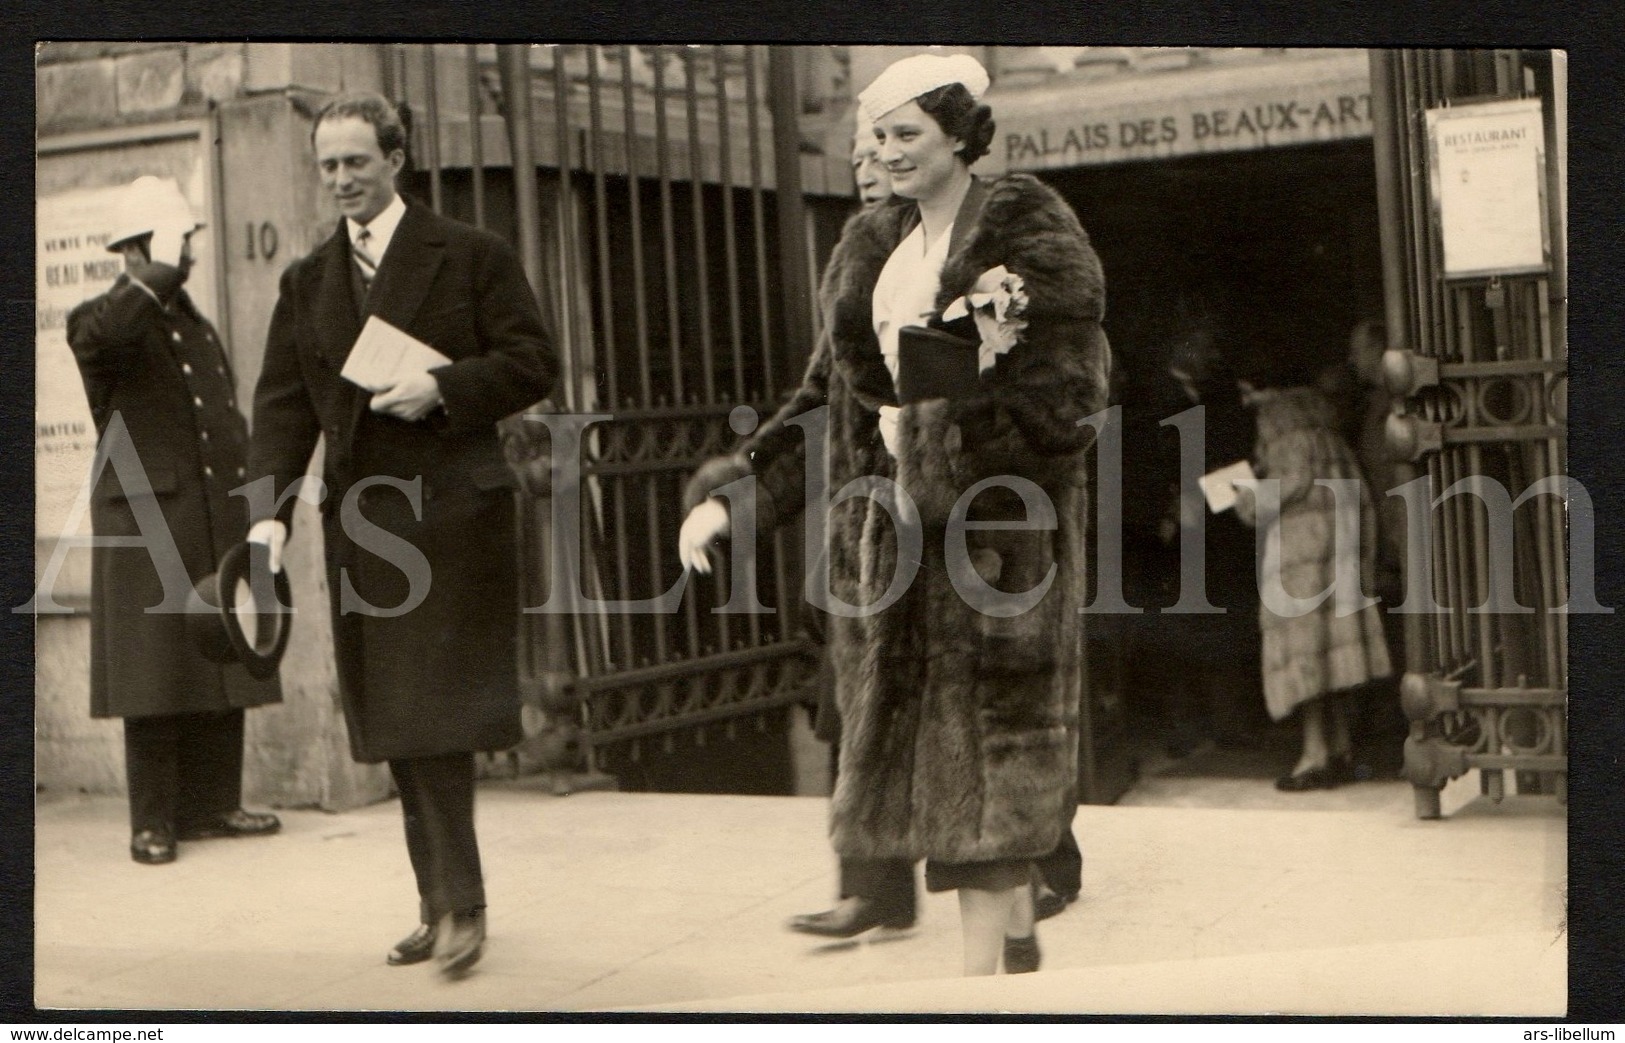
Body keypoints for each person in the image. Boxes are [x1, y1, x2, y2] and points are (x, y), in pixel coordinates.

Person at [680, 53, 1108, 975]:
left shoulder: (1026, 233)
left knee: (988, 776)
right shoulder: (871, 245)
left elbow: (1070, 402)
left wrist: (940, 421)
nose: (886, 152)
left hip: (995, 543)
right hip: (889, 555)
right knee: (928, 776)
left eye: (905, 134)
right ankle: (1009, 938)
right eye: (877, 136)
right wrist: (734, 497)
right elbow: (817, 403)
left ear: (960, 136)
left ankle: (979, 985)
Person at [243, 93, 556, 977]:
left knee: (435, 717)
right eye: (328, 165)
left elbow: (534, 360)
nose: (341, 179)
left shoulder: (470, 255)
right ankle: (436, 901)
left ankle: (462, 905)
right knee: (396, 720)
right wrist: (265, 519)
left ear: (396, 158)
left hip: (452, 517)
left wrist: (444, 388)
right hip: (363, 529)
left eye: (356, 161)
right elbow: (281, 408)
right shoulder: (308, 281)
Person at [66, 175, 283, 867]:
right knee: (154, 674)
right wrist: (154, 267)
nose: (187, 253)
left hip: (210, 511)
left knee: (220, 652)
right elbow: (111, 334)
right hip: (147, 521)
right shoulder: (101, 321)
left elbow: (224, 417)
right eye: (176, 241)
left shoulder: (192, 322)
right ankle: (153, 820)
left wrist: (256, 501)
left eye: (184, 241)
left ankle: (214, 803)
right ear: (134, 251)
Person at [1232, 373, 1392, 791]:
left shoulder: (1279, 418)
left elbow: (1289, 482)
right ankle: (1339, 749)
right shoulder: (1324, 418)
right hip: (1337, 545)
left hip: (1301, 551)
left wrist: (1242, 497)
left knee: (1305, 651)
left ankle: (1314, 754)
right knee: (1331, 651)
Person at [1160, 326, 1268, 753]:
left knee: (1219, 621)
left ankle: (1224, 721)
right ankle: (1186, 726)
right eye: (1206, 347)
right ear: (1184, 349)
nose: (1213, 356)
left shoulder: (1209, 397)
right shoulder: (1158, 399)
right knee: (1182, 628)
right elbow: (1165, 464)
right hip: (1179, 527)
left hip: (1211, 522)